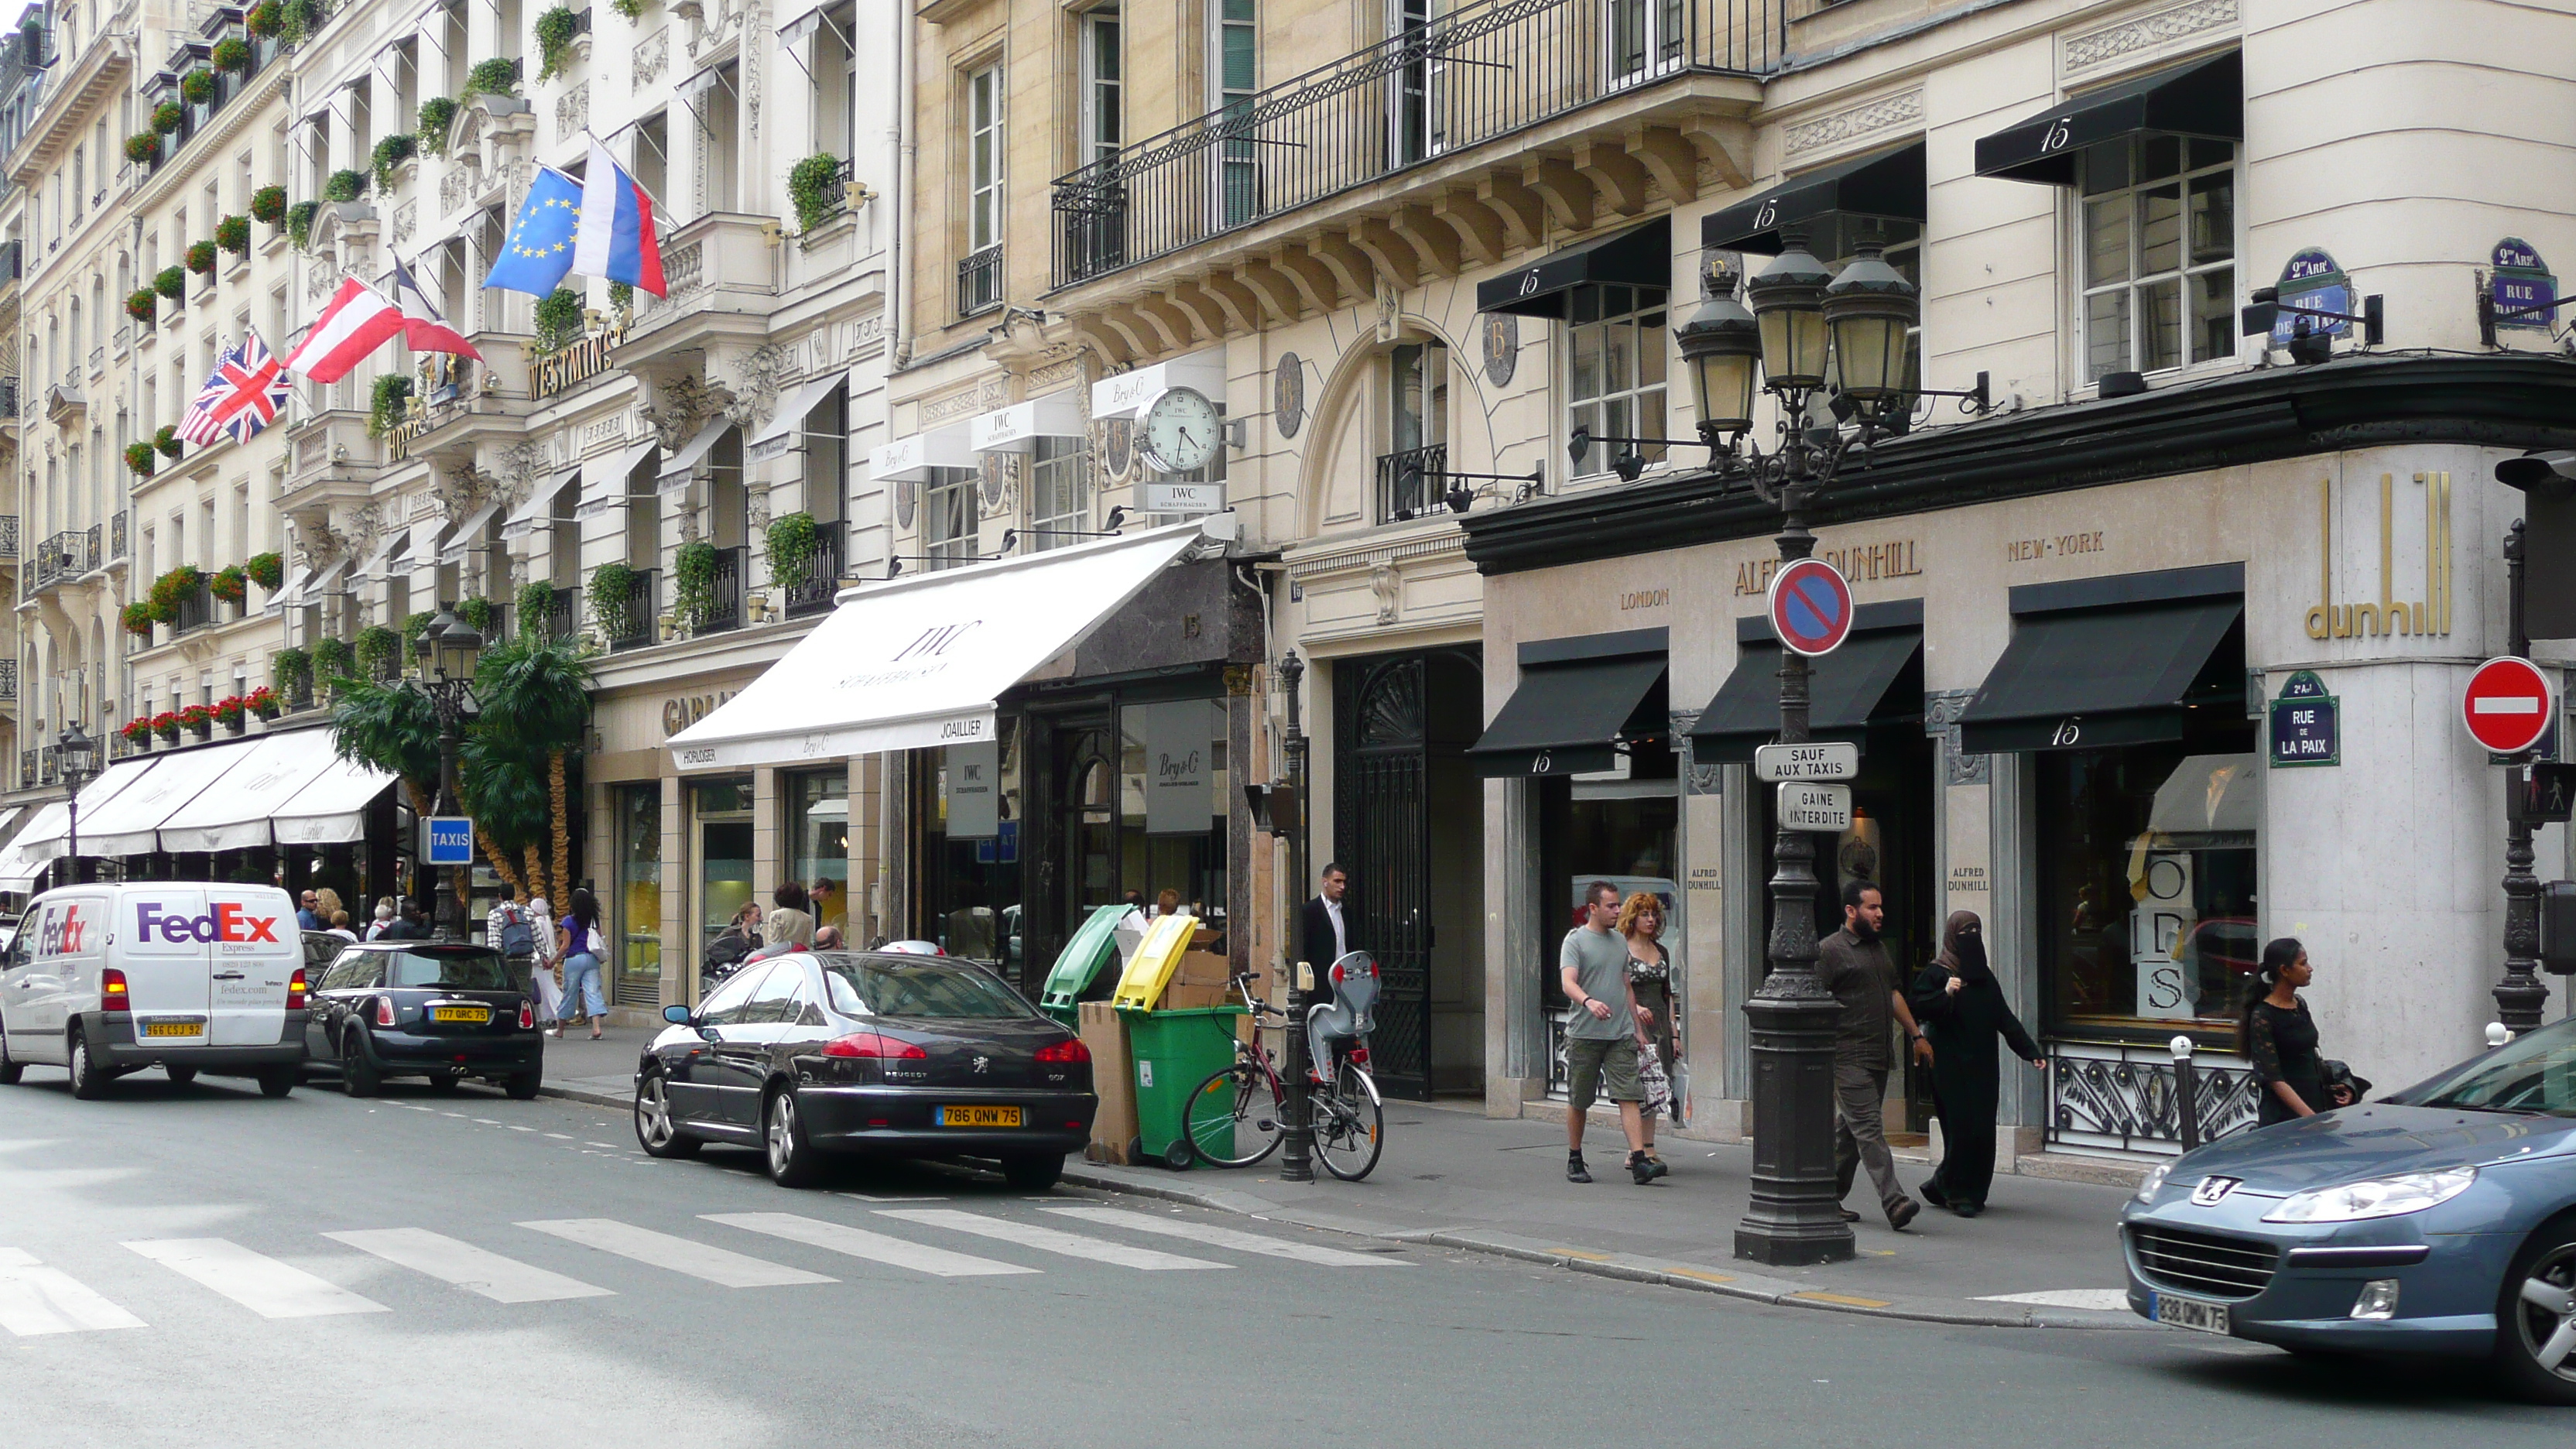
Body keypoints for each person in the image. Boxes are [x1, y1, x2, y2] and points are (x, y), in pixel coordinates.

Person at [1909, 911, 2046, 1218]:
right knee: (1961, 1130)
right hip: (1949, 1066)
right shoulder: (1936, 973)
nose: (1971, 937)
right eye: (1965, 931)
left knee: (1982, 1131)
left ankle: (1962, 1189)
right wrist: (1945, 994)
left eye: (1976, 931)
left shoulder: (1984, 978)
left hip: (1983, 1067)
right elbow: (1916, 1005)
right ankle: (1958, 1193)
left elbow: (2003, 1018)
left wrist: (2030, 1051)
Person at [1817, 879, 1927, 1230]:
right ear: (1851, 911)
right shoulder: (1829, 951)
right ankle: (1894, 1201)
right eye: (1872, 908)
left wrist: (1916, 1034)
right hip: (1847, 1056)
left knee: (1849, 1132)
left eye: (1880, 907)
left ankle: (1824, 1199)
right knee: (1869, 1130)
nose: (1880, 914)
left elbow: (1894, 994)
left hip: (1879, 1055)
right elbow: (1813, 1000)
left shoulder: (1879, 949)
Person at [1560, 880, 1660, 1186]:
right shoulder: (1575, 941)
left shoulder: (1619, 942)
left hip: (1620, 1033)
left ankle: (1640, 1159)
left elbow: (1626, 986)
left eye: (1618, 905)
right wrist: (1588, 1002)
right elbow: (1568, 982)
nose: (1618, 910)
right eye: (1611, 906)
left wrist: (1638, 1029)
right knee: (1580, 1099)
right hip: (1585, 1034)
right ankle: (1575, 1157)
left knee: (1629, 1095)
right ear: (1593, 908)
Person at [2243, 937, 2353, 1125]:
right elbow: (2273, 1078)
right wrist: (2310, 1118)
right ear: (2284, 970)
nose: (2310, 968)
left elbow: (2309, 1056)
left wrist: (2342, 1086)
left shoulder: (2299, 1004)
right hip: (2284, 1119)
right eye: (2303, 964)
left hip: (2315, 1107)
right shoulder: (2263, 1016)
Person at [1617, 892, 1680, 1172]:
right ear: (1633, 917)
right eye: (1645, 914)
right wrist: (1636, 1009)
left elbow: (1669, 995)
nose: (1651, 919)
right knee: (1638, 1087)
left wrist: (1675, 1034)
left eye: (1654, 914)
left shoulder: (1661, 950)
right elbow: (1618, 989)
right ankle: (1636, 1149)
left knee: (1657, 1087)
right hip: (1634, 1024)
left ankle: (1649, 1146)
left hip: (1661, 1026)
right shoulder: (1622, 950)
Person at [553, 889, 607, 1040]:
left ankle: (560, 1029)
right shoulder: (594, 920)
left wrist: (553, 961)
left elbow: (565, 946)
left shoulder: (568, 922)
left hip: (574, 959)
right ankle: (596, 1028)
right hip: (592, 959)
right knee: (593, 991)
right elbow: (600, 938)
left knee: (569, 992)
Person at [1300, 864, 1351, 1006]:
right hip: (1321, 983)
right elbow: (1303, 947)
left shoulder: (1347, 912)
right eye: (1337, 881)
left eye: (1344, 882)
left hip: (1346, 980)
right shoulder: (1309, 911)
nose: (1342, 887)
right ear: (1325, 882)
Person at [524, 896, 564, 1025]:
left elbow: (538, 942)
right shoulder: (546, 921)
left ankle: (561, 1009)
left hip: (539, 961)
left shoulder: (536, 923)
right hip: (549, 959)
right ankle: (550, 1016)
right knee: (546, 987)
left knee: (542, 989)